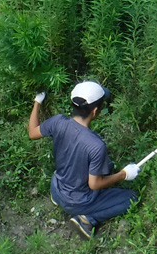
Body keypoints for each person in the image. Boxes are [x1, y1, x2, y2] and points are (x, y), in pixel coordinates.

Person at [28, 81, 142, 239]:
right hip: (78, 201)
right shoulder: (96, 145)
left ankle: (58, 199)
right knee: (131, 197)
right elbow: (94, 184)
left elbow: (32, 133)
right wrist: (124, 174)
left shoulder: (58, 121)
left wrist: (37, 102)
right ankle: (87, 220)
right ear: (95, 111)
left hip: (57, 187)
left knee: (107, 165)